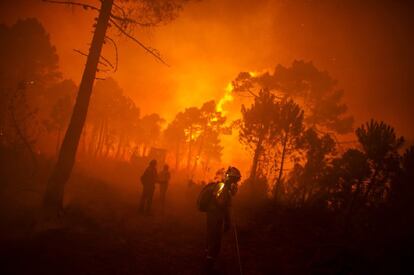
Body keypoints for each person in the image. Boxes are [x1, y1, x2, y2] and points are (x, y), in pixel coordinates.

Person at [204, 166, 241, 272]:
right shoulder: (223, 187)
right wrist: (227, 218)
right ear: (231, 179)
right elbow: (221, 204)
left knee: (211, 237)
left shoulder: (224, 187)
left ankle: (207, 257)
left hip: (213, 215)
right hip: (215, 216)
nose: (236, 183)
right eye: (235, 180)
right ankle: (208, 266)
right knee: (215, 241)